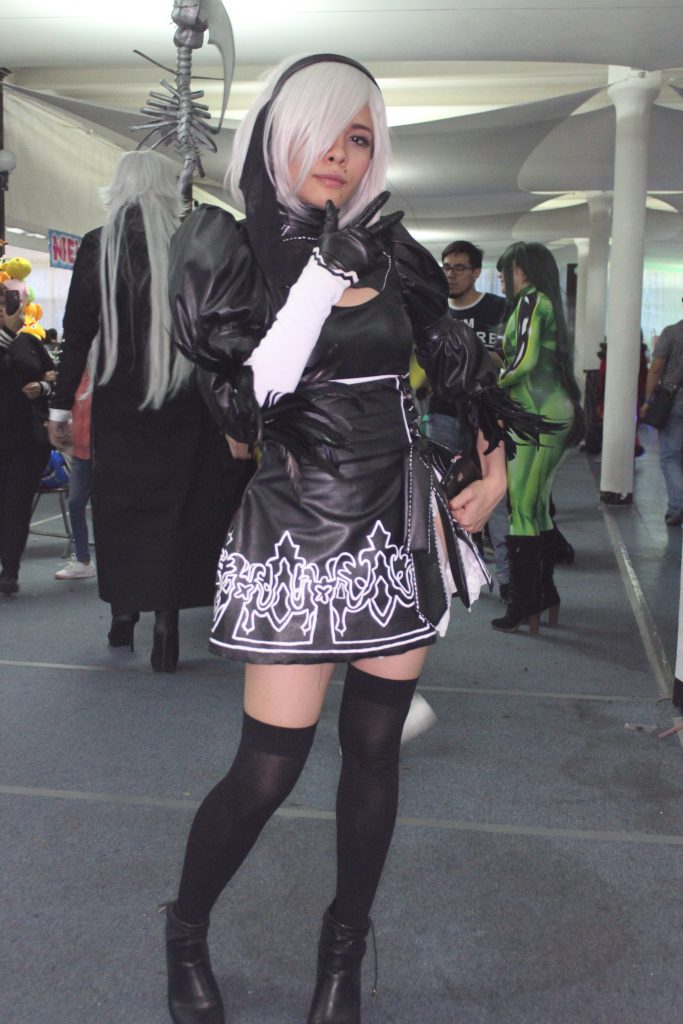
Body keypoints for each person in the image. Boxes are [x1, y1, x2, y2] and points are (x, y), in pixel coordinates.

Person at [163, 53, 544, 1024]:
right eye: (321, 133)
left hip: (396, 527)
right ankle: (186, 931)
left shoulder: (392, 249)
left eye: (359, 138)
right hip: (297, 530)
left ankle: (341, 956)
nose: (338, 155)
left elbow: (459, 367)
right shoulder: (228, 245)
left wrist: (493, 468)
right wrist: (319, 279)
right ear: (277, 135)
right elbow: (245, 403)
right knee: (267, 769)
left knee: (374, 750)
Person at [48, 150, 254, 670]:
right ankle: (167, 623)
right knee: (178, 514)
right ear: (168, 187)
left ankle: (124, 615)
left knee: (119, 513)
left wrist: (59, 408)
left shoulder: (99, 244)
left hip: (119, 403)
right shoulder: (188, 244)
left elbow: (77, 335)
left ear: (119, 185)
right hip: (185, 403)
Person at [492, 241, 583, 634]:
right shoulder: (548, 304)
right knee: (539, 507)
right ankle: (544, 595)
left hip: (533, 412)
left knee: (521, 510)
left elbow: (524, 362)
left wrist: (493, 384)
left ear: (523, 270)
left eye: (506, 269)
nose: (501, 277)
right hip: (555, 409)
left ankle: (524, 602)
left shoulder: (530, 302)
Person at [423, 240, 506, 452]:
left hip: (486, 410)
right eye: (447, 267)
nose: (451, 275)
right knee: (440, 468)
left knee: (486, 470)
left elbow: (507, 358)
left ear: (476, 272)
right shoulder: (435, 311)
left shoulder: (498, 308)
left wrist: (467, 354)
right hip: (442, 411)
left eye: (459, 268)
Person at [0, 278, 55, 595]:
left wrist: (43, 387)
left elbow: (55, 378)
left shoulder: (29, 342)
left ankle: (10, 570)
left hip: (27, 440)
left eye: (7, 303)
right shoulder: (12, 341)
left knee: (17, 505)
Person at [640, 312, 683, 525]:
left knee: (670, 456)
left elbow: (656, 368)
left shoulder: (672, 333)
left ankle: (678, 505)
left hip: (675, 401)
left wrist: (648, 400)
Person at [54, 369, 96, 580]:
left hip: (107, 453)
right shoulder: (75, 380)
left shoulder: (108, 378)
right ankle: (83, 561)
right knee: (76, 503)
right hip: (81, 453)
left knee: (113, 508)